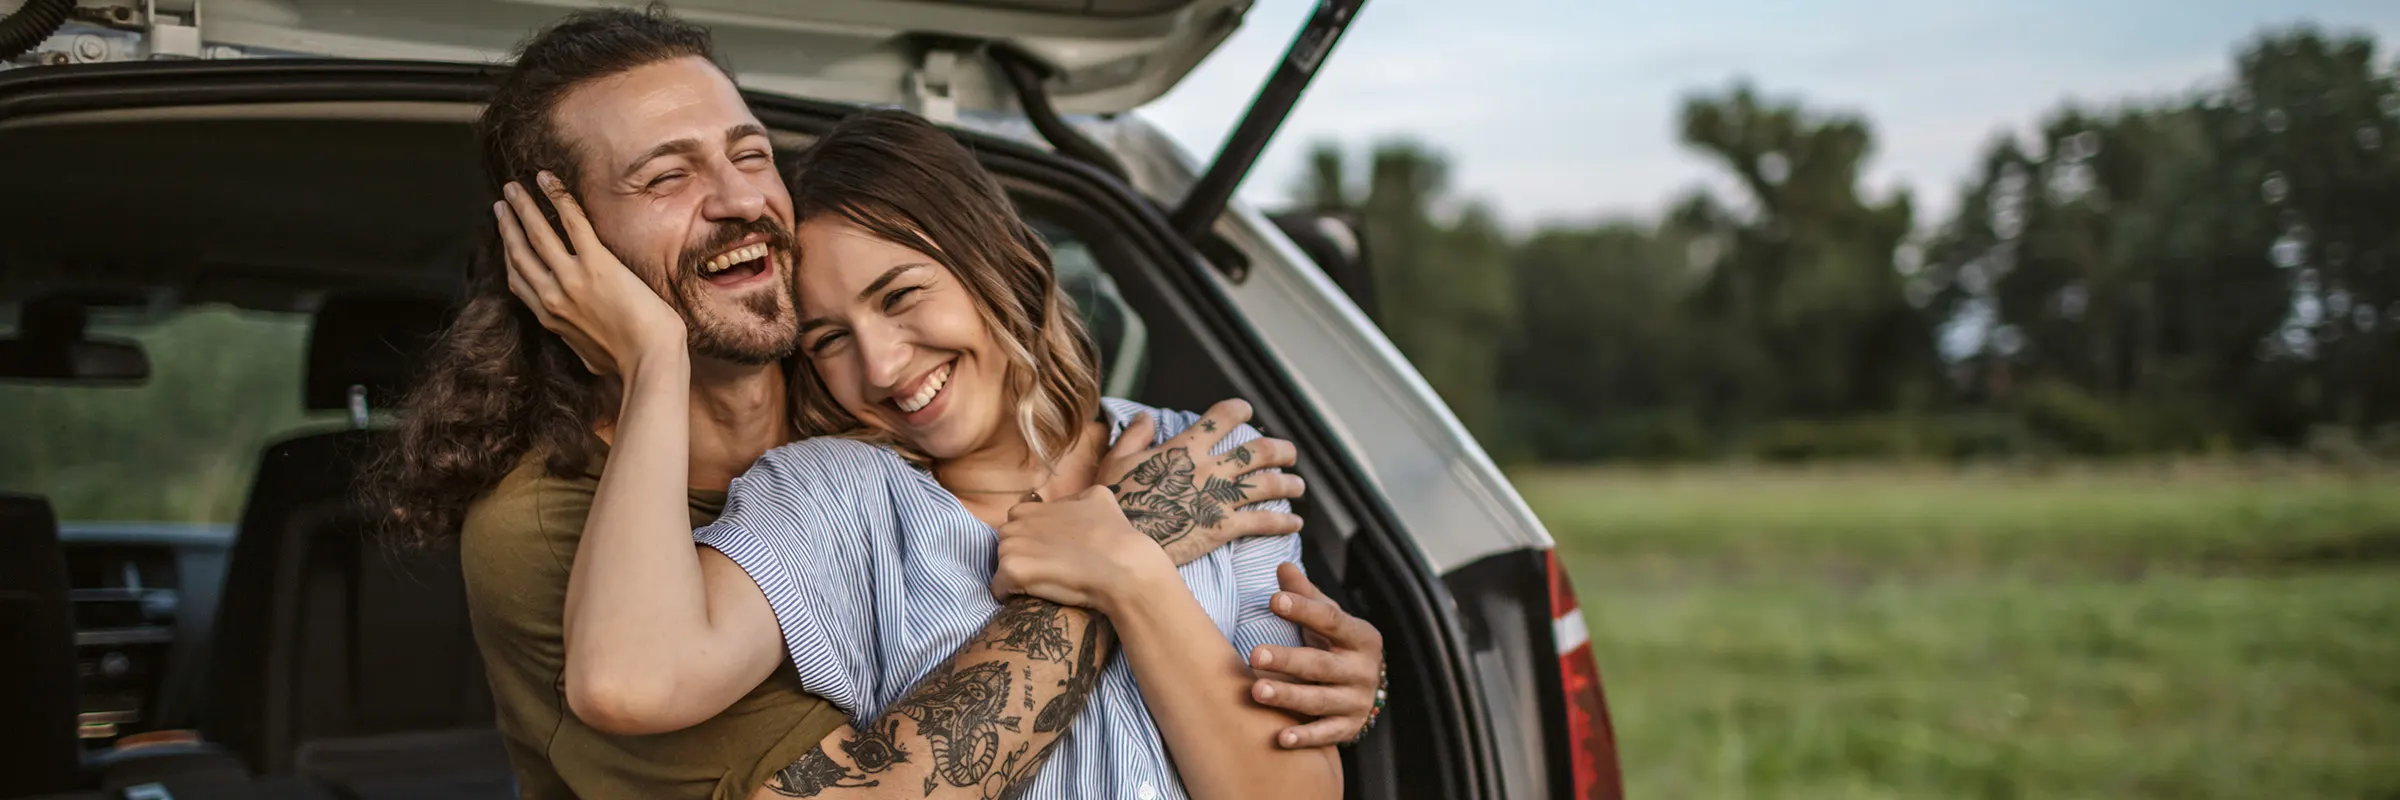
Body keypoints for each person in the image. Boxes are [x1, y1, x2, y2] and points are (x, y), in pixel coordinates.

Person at [367, 7, 1385, 800]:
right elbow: (649, 684)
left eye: (750, 150)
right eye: (666, 174)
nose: (735, 197)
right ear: (564, 249)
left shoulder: (1190, 457)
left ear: (1003, 261)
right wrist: (1128, 548)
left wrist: (1354, 682)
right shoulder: (816, 493)